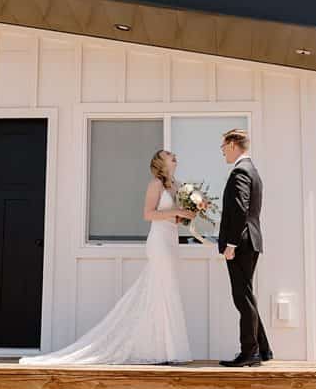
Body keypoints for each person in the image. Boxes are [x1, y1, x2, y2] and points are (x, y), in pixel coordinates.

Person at [19, 150, 194, 365]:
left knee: (166, 290)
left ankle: (164, 349)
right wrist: (176, 212)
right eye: (169, 154)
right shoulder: (155, 184)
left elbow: (172, 218)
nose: (174, 155)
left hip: (171, 239)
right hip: (159, 243)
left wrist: (186, 214)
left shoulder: (175, 186)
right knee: (162, 289)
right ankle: (163, 350)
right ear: (160, 162)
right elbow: (148, 214)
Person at [218, 128, 272, 367]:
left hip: (242, 242)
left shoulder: (240, 171)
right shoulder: (253, 171)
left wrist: (231, 244)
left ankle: (249, 352)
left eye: (223, 148)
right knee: (246, 295)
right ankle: (263, 349)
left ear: (232, 145)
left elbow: (240, 209)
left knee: (242, 297)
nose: (222, 153)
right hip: (251, 240)